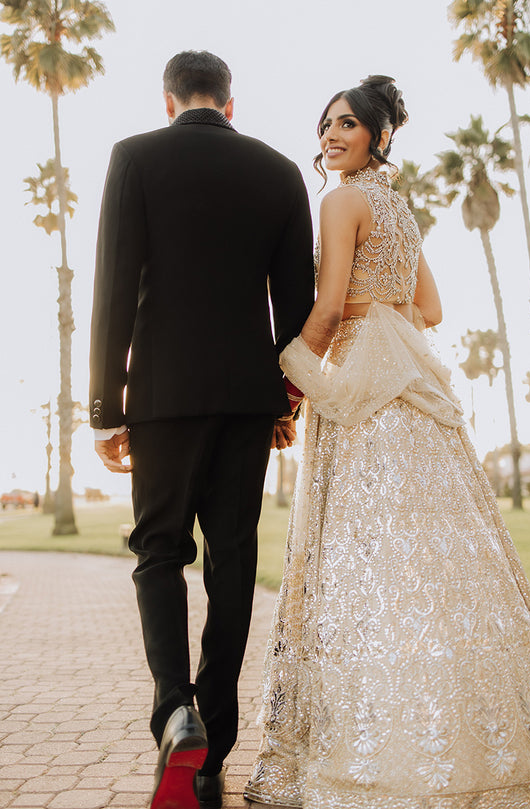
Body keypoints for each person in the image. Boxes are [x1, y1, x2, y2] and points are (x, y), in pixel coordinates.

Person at [245, 75, 530, 808]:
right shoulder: (398, 207)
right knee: (425, 563)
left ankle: (371, 748)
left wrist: (289, 382)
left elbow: (327, 307)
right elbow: (428, 306)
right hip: (408, 383)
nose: (331, 136)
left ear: (378, 135)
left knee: (352, 559)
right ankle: (454, 738)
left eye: (347, 124)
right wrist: (383, 313)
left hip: (360, 392)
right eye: (326, 125)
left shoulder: (341, 201)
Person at [89, 50, 314, 809]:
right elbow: (295, 307)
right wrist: (285, 402)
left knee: (159, 552)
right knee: (232, 559)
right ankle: (213, 736)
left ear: (168, 101)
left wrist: (106, 407)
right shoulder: (280, 171)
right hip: (248, 399)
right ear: (229, 101)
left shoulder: (135, 157)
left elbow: (113, 288)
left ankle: (174, 710)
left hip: (161, 395)